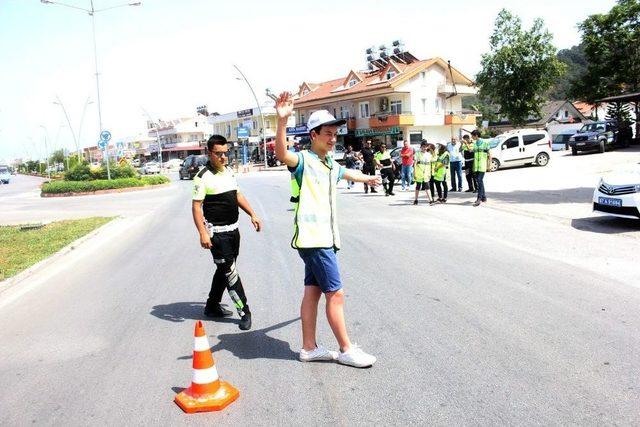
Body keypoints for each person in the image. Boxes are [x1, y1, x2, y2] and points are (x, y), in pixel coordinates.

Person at [274, 92, 380, 368]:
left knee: (313, 291)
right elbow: (281, 154)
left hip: (322, 239)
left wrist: (368, 177)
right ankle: (346, 349)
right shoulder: (304, 161)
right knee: (336, 293)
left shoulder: (329, 162)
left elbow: (346, 173)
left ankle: (309, 348)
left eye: (335, 134)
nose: (333, 139)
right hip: (315, 240)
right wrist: (282, 122)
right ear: (313, 135)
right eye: (328, 134)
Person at [192, 135, 263, 331]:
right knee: (231, 273)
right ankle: (245, 312)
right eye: (219, 154)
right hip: (218, 235)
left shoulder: (229, 171)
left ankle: (212, 306)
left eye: (226, 153)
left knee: (224, 270)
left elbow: (237, 195)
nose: (224, 157)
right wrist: (203, 233)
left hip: (234, 231)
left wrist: (252, 214)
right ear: (209, 153)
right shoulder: (202, 177)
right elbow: (196, 207)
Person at [470, 129, 492, 206]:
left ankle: (479, 198)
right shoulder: (475, 144)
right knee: (480, 182)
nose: (472, 137)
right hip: (476, 166)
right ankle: (484, 197)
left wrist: (489, 165)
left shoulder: (485, 143)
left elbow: (489, 154)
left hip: (482, 165)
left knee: (479, 181)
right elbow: (471, 150)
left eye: (472, 136)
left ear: (476, 135)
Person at [413, 140, 434, 205]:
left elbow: (430, 164)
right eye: (423, 147)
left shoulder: (429, 155)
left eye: (425, 147)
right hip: (419, 172)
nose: (424, 148)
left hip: (426, 173)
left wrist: (430, 173)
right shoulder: (417, 153)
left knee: (427, 187)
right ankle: (416, 200)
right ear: (421, 147)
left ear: (427, 147)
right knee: (418, 186)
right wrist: (414, 173)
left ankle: (430, 200)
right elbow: (415, 163)